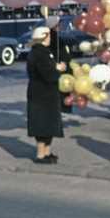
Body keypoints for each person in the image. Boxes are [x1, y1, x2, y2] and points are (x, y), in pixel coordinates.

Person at [26, 27, 68, 164]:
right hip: (42, 94)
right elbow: (48, 75)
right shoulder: (40, 54)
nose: (50, 38)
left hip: (43, 94)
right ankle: (41, 154)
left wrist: (54, 68)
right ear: (42, 38)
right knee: (42, 124)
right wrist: (58, 70)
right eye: (48, 36)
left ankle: (47, 152)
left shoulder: (41, 52)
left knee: (49, 123)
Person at [46, 16, 72, 115]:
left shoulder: (53, 37)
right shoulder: (55, 39)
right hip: (60, 67)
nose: (61, 26)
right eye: (59, 24)